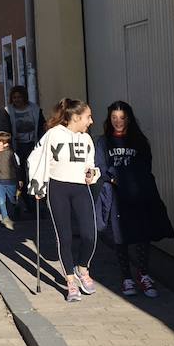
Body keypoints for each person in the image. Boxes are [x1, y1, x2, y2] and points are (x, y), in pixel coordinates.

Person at [96, 101, 174, 298]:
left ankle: (143, 274)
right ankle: (126, 277)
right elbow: (101, 166)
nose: (118, 122)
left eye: (122, 118)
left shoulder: (139, 141)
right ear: (109, 119)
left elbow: (145, 166)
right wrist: (113, 177)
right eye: (114, 118)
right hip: (116, 195)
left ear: (128, 118)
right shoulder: (103, 142)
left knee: (142, 234)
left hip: (138, 193)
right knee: (120, 237)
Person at [27, 98, 100, 303]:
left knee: (89, 235)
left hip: (80, 188)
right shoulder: (54, 134)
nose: (91, 121)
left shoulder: (86, 139)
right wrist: (37, 184)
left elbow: (91, 164)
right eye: (88, 117)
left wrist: (91, 174)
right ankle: (70, 282)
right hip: (58, 188)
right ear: (76, 117)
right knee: (65, 237)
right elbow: (36, 158)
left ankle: (82, 268)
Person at [0, 132, 19, 229]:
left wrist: (20, 179)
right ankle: (5, 218)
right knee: (1, 201)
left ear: (5, 144)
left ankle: (16, 207)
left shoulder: (11, 153)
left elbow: (17, 167)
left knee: (12, 199)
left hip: (10, 180)